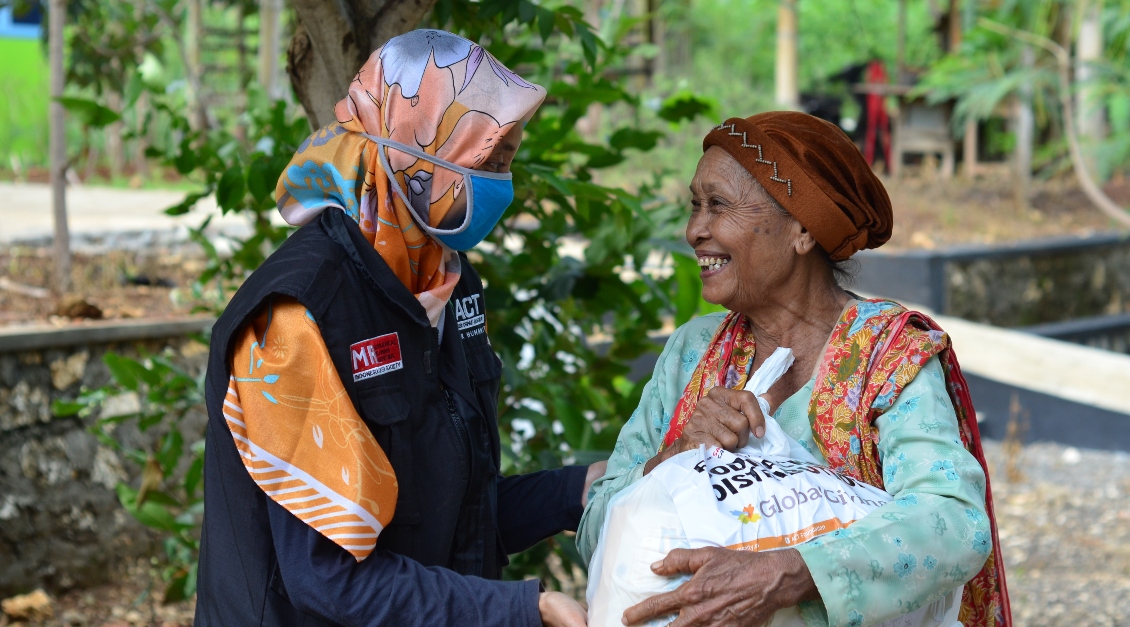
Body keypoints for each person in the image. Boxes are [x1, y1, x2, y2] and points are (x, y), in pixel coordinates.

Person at [195, 29, 600, 627]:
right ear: (417, 147)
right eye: (489, 160)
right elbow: (328, 577)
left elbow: (448, 514)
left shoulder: (445, 282)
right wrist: (523, 610)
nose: (501, 183)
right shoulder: (295, 315)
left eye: (509, 158)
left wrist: (579, 490)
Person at [577, 112, 1011, 627]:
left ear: (802, 228)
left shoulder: (886, 354)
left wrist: (787, 573)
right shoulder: (692, 353)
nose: (695, 230)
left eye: (718, 205)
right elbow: (598, 525)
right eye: (695, 206)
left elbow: (953, 524)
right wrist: (675, 454)